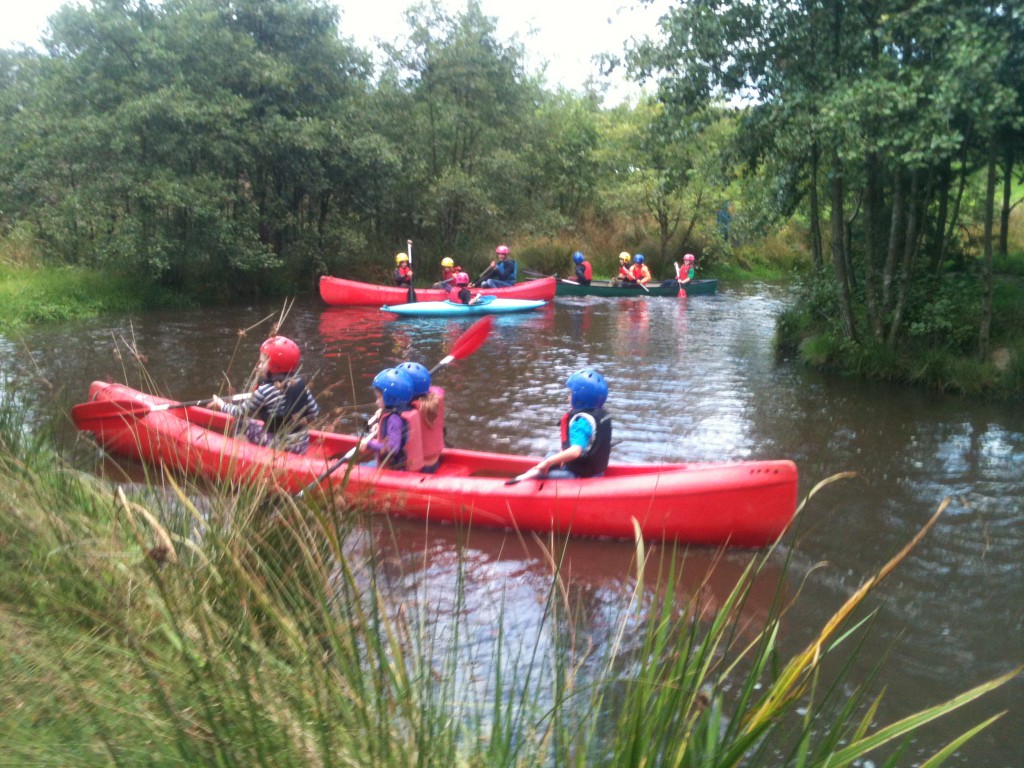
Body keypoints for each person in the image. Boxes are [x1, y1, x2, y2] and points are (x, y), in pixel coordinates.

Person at [210, 336, 320, 455]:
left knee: (241, 423)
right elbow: (314, 412)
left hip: (281, 447)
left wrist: (221, 404)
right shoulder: (300, 384)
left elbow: (239, 411)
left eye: (262, 363)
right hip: (301, 446)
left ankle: (241, 456)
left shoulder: (264, 390)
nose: (258, 366)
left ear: (275, 365)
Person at [524, 369, 613, 479]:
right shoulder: (599, 415)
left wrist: (547, 463)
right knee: (551, 455)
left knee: (541, 475)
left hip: (580, 475)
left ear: (580, 399)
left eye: (571, 393)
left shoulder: (581, 422)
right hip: (596, 470)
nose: (569, 397)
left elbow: (575, 452)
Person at [358, 367, 424, 471]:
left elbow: (393, 448)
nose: (376, 402)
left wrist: (369, 444)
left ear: (390, 398)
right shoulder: (404, 408)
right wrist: (379, 428)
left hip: (398, 469)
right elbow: (394, 432)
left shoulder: (394, 419)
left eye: (379, 397)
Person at [397, 361, 445, 473]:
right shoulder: (435, 398)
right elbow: (437, 389)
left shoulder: (407, 412)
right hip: (434, 462)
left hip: (418, 468)